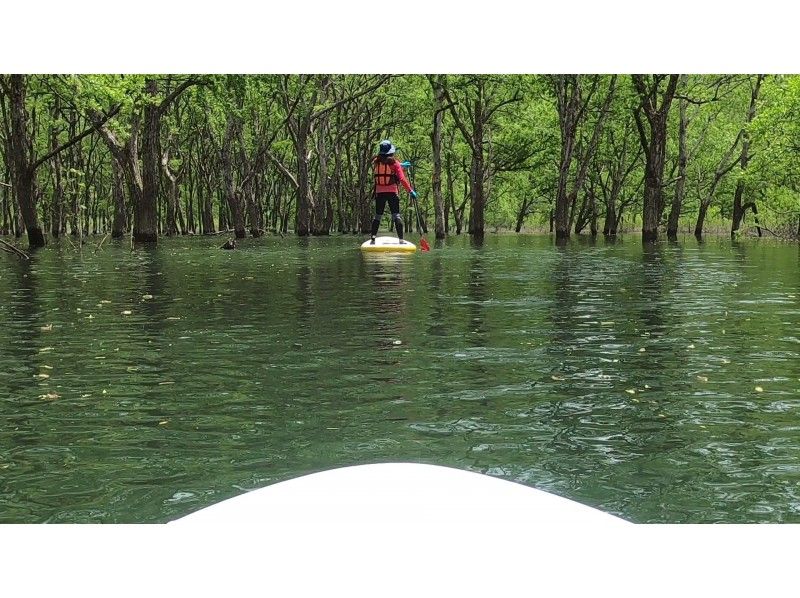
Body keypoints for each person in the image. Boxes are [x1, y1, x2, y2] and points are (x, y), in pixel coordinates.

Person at [370, 140, 417, 244]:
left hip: (379, 193)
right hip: (392, 193)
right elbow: (402, 179)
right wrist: (410, 191)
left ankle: (373, 238)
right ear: (391, 152)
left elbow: (385, 162)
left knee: (378, 216)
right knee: (396, 215)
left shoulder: (375, 162)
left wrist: (401, 165)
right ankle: (401, 240)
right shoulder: (395, 164)